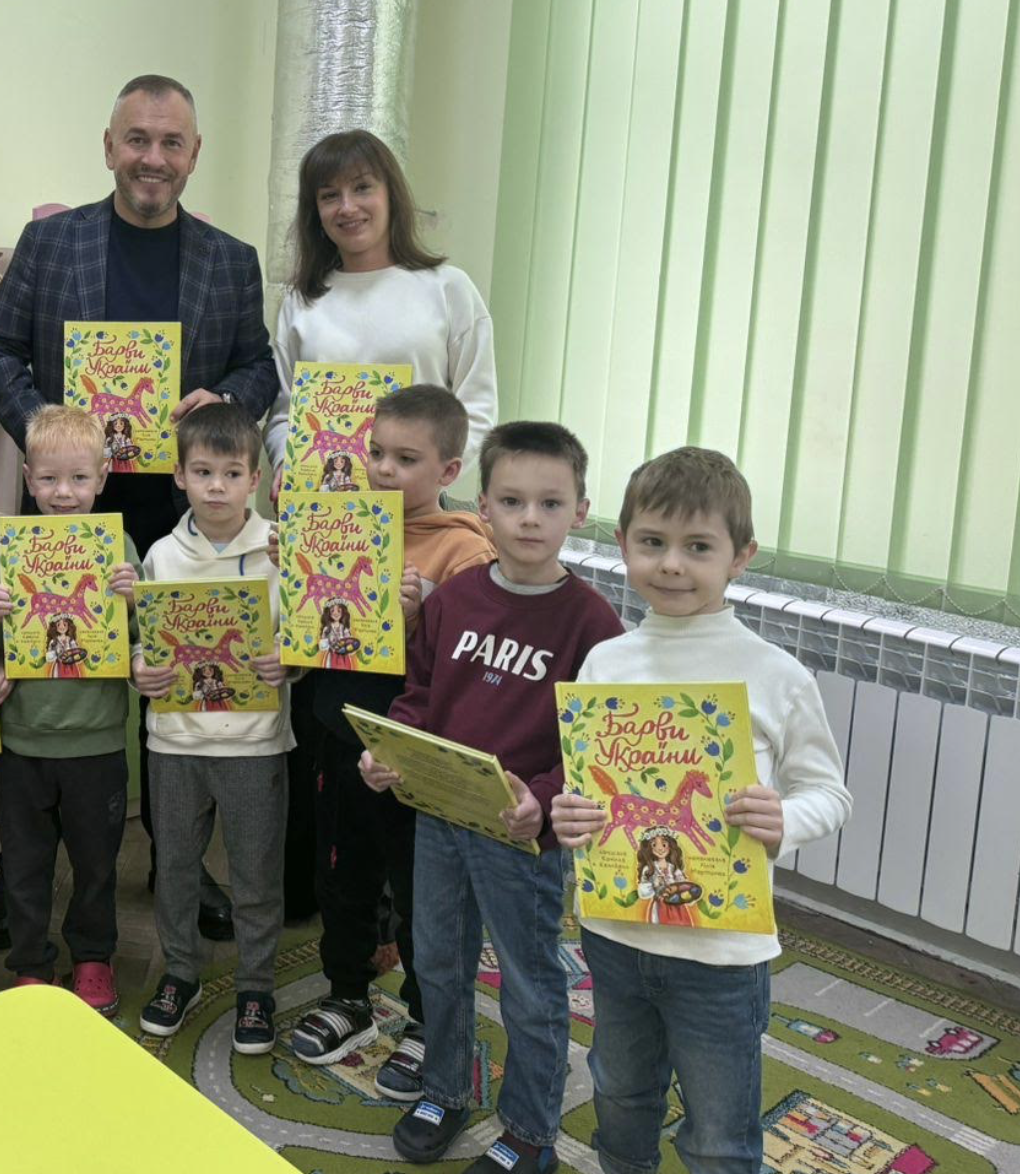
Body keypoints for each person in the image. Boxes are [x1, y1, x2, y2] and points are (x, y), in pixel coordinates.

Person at [0, 75, 277, 945]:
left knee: (173, 683)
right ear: (109, 146)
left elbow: (260, 367)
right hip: (65, 512)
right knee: (43, 677)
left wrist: (224, 400)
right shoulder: (51, 242)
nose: (153, 157)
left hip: (181, 516)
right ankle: (19, 871)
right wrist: (47, 432)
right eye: (137, 139)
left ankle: (179, 861)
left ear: (194, 154)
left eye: (171, 142)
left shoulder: (230, 260)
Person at [552, 448, 850, 1174]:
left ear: (740, 556)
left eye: (698, 547)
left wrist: (785, 819)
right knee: (619, 1093)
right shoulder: (606, 663)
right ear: (623, 543)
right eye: (652, 542)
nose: (672, 565)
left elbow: (829, 793)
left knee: (719, 1132)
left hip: (720, 954)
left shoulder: (776, 675)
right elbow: (587, 788)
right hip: (615, 934)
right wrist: (571, 816)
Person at [361, 421, 624, 1170]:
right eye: (512, 501)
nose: (530, 519)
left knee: (530, 986)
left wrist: (543, 798)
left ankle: (531, 1133)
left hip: (520, 836)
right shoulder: (454, 600)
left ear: (580, 512)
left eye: (550, 503)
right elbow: (420, 696)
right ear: (483, 508)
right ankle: (445, 1088)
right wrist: (388, 751)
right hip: (440, 818)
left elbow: (594, 747)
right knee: (438, 964)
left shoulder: (593, 623)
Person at [267, 129, 498, 932]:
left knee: (418, 700)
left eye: (362, 188)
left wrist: (429, 484)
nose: (347, 207)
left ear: (391, 193)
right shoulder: (305, 299)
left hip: (425, 526)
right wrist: (286, 466)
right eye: (329, 195)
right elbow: (287, 408)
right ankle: (347, 904)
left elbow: (477, 405)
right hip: (330, 532)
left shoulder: (446, 288)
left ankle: (414, 903)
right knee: (336, 721)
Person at [285, 386, 496, 1101]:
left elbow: (473, 660)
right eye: (375, 452)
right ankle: (347, 994)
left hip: (417, 751)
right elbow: (314, 635)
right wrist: (298, 581)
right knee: (340, 873)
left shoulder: (465, 548)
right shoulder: (337, 521)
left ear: (449, 470)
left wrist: (425, 612)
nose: (382, 469)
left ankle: (430, 1019)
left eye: (406, 459)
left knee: (420, 890)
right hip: (339, 732)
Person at [130, 404, 290, 1053]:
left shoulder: (280, 552)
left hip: (255, 744)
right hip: (175, 743)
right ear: (180, 476)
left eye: (231, 472)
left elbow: (304, 633)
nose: (216, 486)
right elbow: (140, 639)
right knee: (175, 868)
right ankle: (179, 973)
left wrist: (291, 663)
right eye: (203, 472)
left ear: (255, 478)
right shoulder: (162, 556)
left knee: (256, 874)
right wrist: (140, 669)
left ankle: (256, 987)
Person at [0, 405, 140, 1014]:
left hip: (96, 740)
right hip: (23, 739)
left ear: (102, 476)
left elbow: (142, 641)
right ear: (28, 479)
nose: (64, 493)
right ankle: (30, 963)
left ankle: (94, 957)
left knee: (96, 863)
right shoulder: (11, 549)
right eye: (49, 479)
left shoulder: (120, 548)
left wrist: (134, 602)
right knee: (25, 863)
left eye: (78, 478)